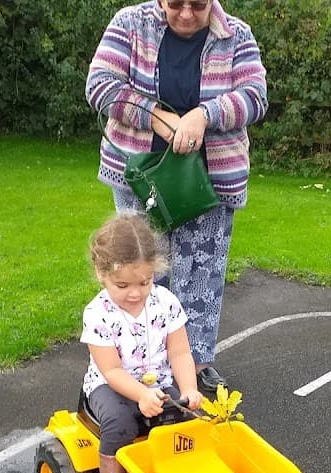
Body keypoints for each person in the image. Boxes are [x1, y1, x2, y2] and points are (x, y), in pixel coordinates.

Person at [86, 0, 268, 395]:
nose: (186, 14)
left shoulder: (237, 35)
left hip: (212, 185)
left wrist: (204, 115)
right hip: (141, 181)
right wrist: (154, 115)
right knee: (142, 273)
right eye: (175, 4)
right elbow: (100, 85)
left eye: (198, 5)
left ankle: (197, 366)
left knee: (202, 279)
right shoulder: (129, 24)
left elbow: (255, 95)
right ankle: (133, 367)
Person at [82, 213, 204, 473]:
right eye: (122, 285)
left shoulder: (166, 303)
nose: (135, 293)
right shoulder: (98, 313)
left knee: (185, 418)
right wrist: (141, 395)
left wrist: (189, 388)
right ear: (101, 273)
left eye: (145, 282)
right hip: (112, 386)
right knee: (120, 423)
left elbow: (179, 352)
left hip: (158, 381)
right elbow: (110, 370)